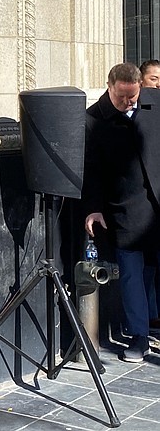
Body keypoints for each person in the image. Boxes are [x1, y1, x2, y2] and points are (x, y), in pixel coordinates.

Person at [83, 62, 160, 362]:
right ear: (109, 87)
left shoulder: (154, 102)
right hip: (125, 207)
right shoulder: (93, 119)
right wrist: (93, 209)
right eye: (122, 97)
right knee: (131, 273)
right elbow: (92, 170)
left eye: (133, 96)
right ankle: (139, 335)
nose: (129, 103)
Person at [140, 59, 160, 334]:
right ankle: (148, 315)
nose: (159, 84)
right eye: (154, 78)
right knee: (146, 264)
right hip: (143, 204)